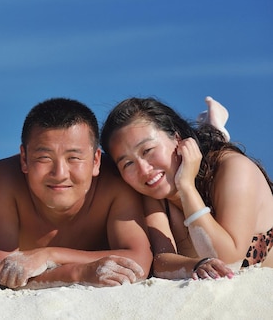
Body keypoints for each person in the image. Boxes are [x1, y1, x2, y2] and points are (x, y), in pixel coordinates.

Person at [0, 98, 152, 289]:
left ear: (96, 160)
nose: (60, 174)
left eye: (74, 158)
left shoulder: (113, 181)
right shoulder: (5, 179)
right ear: (24, 159)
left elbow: (139, 262)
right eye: (44, 158)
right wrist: (79, 272)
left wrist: (50, 255)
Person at [100, 96, 273, 280]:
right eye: (128, 163)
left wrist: (186, 186)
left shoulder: (235, 169)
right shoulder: (153, 192)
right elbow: (160, 261)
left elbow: (227, 261)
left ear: (176, 138)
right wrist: (195, 265)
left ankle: (213, 131)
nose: (144, 170)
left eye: (148, 150)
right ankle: (211, 129)